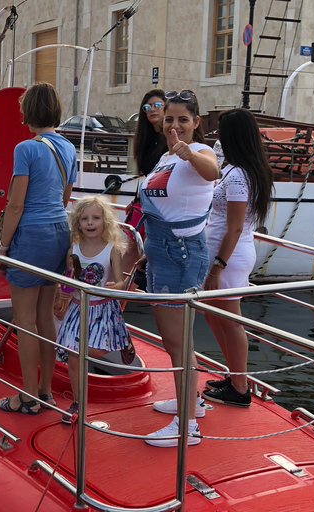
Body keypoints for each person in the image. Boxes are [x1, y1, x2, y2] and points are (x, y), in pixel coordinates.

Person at [140, 90, 219, 448]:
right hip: (161, 251)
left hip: (181, 253)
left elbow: (212, 171)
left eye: (183, 120)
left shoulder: (200, 152)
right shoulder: (165, 158)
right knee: (173, 340)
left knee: (178, 342)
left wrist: (188, 151)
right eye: (169, 119)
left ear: (196, 123)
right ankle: (193, 401)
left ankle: (186, 426)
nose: (175, 125)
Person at [0, 83, 76, 414]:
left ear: (30, 110)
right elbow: (66, 197)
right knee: (44, 316)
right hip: (59, 231)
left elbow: (15, 205)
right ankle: (45, 390)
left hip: (31, 234)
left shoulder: (25, 149)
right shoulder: (68, 148)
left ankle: (27, 395)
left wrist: (2, 246)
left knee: (25, 318)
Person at [201, 108, 273, 407]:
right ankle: (234, 376)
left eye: (221, 133)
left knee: (231, 320)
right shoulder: (238, 169)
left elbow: (236, 226)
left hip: (228, 257)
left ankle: (241, 387)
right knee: (212, 314)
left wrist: (217, 268)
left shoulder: (240, 175)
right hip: (220, 253)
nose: (218, 138)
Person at [53, 196, 129, 421]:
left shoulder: (112, 250)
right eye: (85, 218)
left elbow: (121, 281)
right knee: (75, 356)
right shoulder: (73, 250)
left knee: (95, 351)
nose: (90, 223)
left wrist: (117, 285)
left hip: (102, 309)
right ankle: (78, 402)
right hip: (78, 307)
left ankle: (124, 341)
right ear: (78, 223)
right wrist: (62, 294)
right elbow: (68, 279)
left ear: (105, 221)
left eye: (96, 218)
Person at [122, 89, 168, 283]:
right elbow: (148, 176)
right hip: (145, 203)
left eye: (157, 105)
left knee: (147, 252)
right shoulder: (147, 139)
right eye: (147, 107)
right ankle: (119, 292)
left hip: (162, 206)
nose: (152, 110)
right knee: (132, 248)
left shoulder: (172, 140)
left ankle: (124, 289)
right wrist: (137, 198)